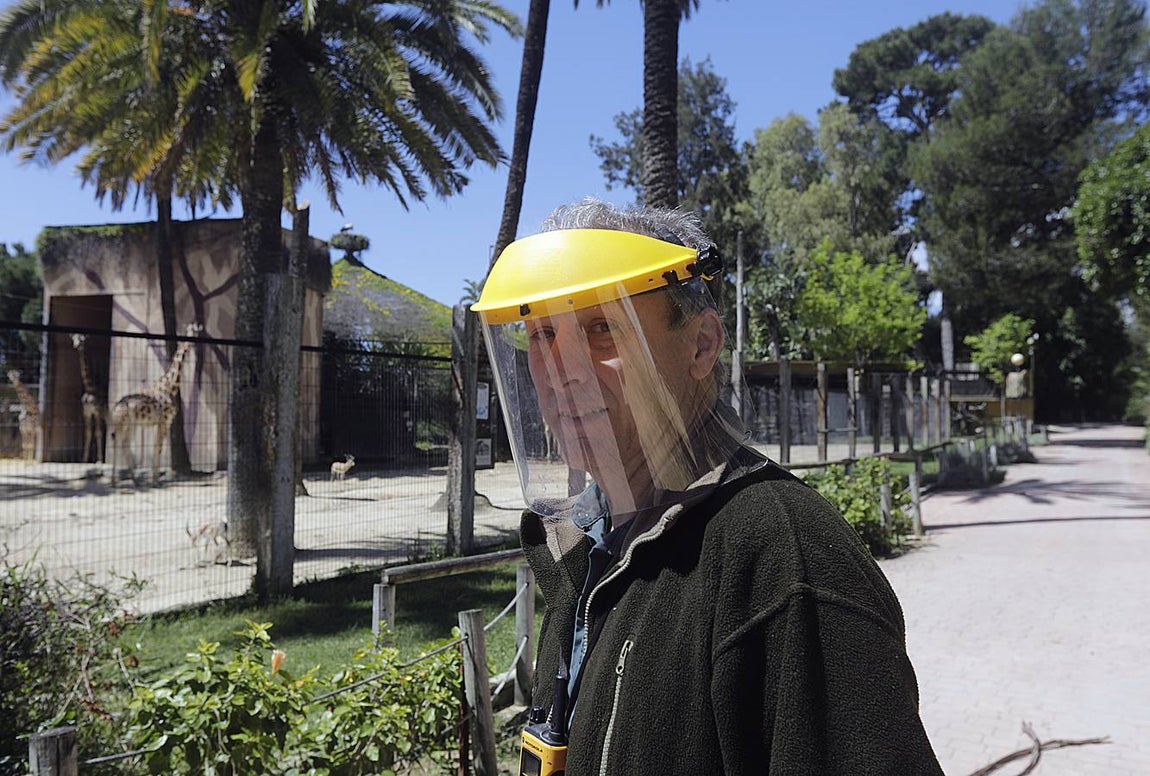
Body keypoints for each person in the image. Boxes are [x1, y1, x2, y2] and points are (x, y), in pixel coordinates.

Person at [472, 197, 943, 775]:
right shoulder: (589, 541)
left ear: (701, 345)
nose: (561, 371)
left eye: (601, 329)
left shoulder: (786, 560)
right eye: (543, 334)